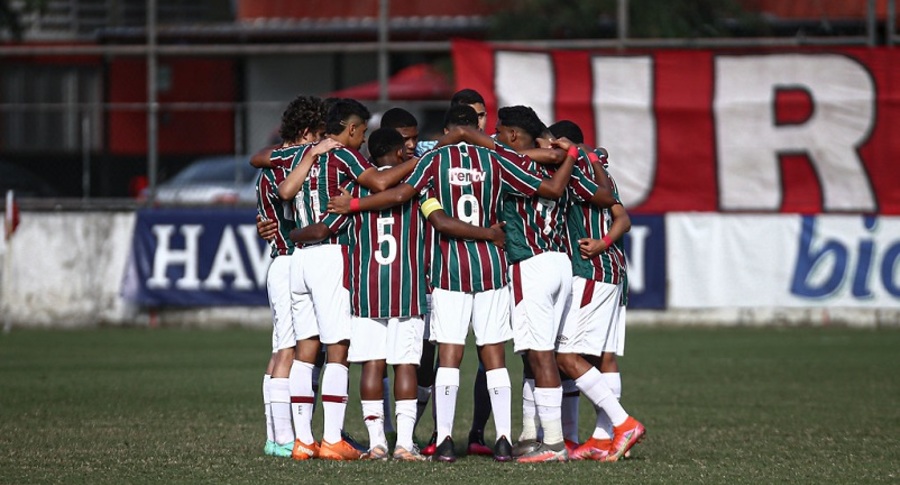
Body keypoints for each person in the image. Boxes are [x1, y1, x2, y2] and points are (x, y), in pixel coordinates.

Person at [327, 104, 576, 463]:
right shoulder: (496, 159)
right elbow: (550, 188)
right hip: (490, 265)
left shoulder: (433, 160)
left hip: (449, 269)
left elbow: (399, 194)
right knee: (494, 355)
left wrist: (353, 204)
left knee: (449, 357)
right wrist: (570, 154)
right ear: (477, 127)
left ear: (447, 129)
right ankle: (503, 439)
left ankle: (444, 440)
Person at [292, 127, 505, 461]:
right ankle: (405, 443)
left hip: (367, 290)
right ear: (397, 153)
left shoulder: (354, 190)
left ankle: (377, 442)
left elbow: (321, 229)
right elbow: (438, 220)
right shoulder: (417, 187)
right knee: (406, 365)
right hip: (407, 288)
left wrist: (290, 233)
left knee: (372, 366)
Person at [284, 98, 418, 461]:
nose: (362, 141)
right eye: (361, 132)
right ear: (353, 128)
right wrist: (420, 162)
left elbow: (283, 191)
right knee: (338, 349)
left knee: (304, 350)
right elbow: (379, 180)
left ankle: (302, 440)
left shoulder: (304, 154)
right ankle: (331, 439)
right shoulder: (345, 155)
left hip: (299, 258)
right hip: (329, 254)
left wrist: (293, 235)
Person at [549, 120, 646, 462]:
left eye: (555, 143)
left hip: (591, 271)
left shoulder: (575, 174)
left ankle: (623, 424)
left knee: (566, 357)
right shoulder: (601, 171)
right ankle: (604, 439)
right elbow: (623, 218)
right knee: (603, 356)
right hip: (613, 269)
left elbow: (619, 217)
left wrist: (599, 245)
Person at [254, 95, 328, 458]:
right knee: (287, 350)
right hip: (287, 260)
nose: (322, 142)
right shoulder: (293, 163)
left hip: (284, 262)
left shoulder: (275, 163)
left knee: (284, 348)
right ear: (307, 132)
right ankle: (282, 437)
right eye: (319, 134)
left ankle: (277, 435)